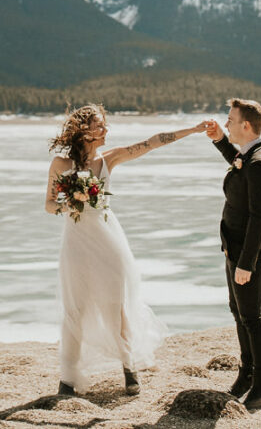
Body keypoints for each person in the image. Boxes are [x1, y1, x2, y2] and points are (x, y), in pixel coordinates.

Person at [46, 104, 208, 396]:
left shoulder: (110, 157)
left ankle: (129, 367)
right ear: (83, 131)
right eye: (99, 126)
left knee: (115, 304)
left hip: (109, 239)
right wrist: (69, 202)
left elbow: (153, 142)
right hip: (76, 242)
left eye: (105, 125)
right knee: (75, 307)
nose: (105, 130)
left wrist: (193, 130)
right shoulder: (61, 164)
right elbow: (48, 204)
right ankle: (68, 380)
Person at [202, 98, 261, 410]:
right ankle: (246, 374)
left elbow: (259, 218)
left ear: (246, 125)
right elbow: (239, 163)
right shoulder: (251, 155)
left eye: (230, 120)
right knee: (238, 311)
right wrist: (220, 140)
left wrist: (246, 264)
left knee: (252, 317)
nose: (228, 123)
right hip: (233, 246)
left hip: (249, 251)